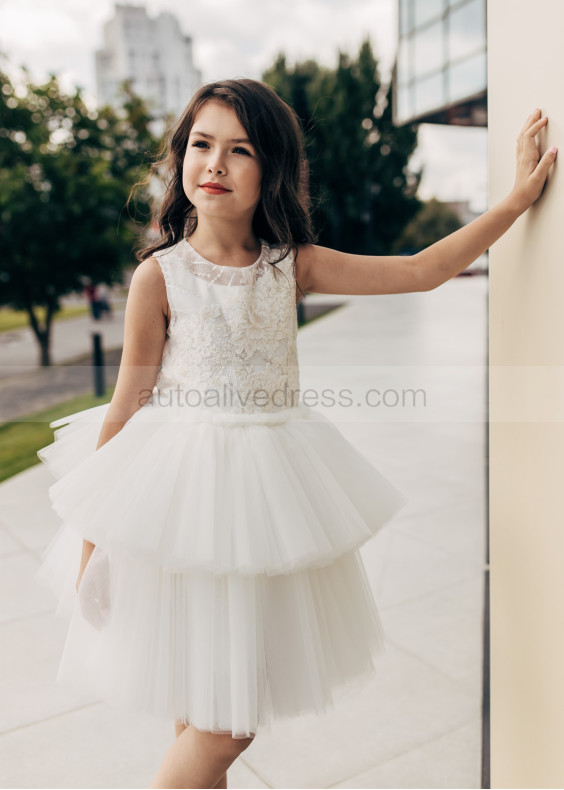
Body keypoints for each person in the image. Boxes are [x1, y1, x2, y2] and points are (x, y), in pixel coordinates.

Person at [33, 80, 556, 789]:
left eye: (239, 150)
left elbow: (423, 270)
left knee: (209, 716)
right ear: (181, 160)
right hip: (176, 506)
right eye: (201, 145)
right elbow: (125, 409)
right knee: (221, 726)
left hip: (264, 506)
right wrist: (95, 548)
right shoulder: (159, 278)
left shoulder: (292, 264)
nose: (214, 164)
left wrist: (518, 200)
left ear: (271, 168)